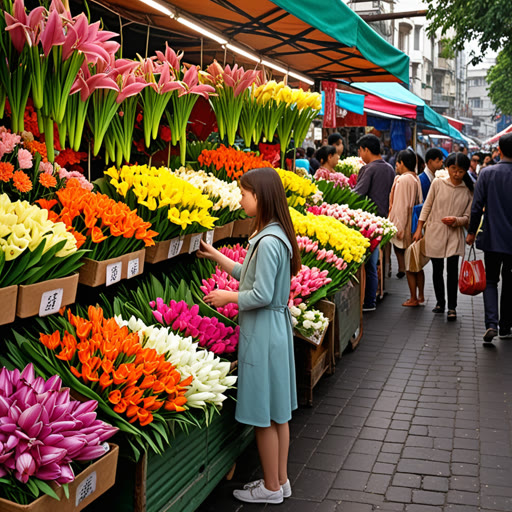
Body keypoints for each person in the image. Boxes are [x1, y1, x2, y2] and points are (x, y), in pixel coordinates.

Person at [197, 167, 301, 504]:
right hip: (275, 330)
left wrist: (227, 297)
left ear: (261, 196)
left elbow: (262, 294)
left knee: (262, 415)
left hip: (264, 333)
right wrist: (218, 256)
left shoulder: (268, 240)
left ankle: (270, 487)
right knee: (278, 412)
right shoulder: (274, 235)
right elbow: (250, 274)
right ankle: (280, 481)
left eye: (244, 194)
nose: (240, 199)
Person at [413, 152, 473, 321]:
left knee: (452, 271)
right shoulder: (438, 183)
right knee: (437, 269)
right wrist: (419, 228)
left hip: (455, 235)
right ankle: (440, 302)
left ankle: (452, 307)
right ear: (447, 168)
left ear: (465, 171)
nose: (456, 173)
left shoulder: (468, 190)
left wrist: (457, 220)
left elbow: (468, 217)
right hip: (435, 231)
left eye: (460, 171)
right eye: (453, 169)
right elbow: (427, 206)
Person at [466, 133, 512, 343]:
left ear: (499, 150)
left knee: (491, 280)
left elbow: (476, 208)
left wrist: (471, 232)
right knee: (510, 282)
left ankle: (491, 323)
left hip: (493, 238)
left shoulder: (486, 173)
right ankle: (505, 327)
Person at [353, 134, 396, 311]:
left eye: (360, 150)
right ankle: (371, 299)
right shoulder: (389, 168)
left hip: (367, 223)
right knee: (374, 262)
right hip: (382, 220)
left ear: (366, 150)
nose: (359, 154)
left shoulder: (369, 169)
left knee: (369, 263)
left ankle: (368, 301)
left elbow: (358, 194)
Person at [388, 149, 424, 307]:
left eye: (398, 162)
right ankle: (421, 295)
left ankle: (413, 298)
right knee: (417, 263)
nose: (396, 165)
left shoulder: (403, 180)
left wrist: (397, 227)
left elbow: (400, 207)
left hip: (406, 226)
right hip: (414, 225)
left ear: (402, 163)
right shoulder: (415, 179)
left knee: (410, 265)